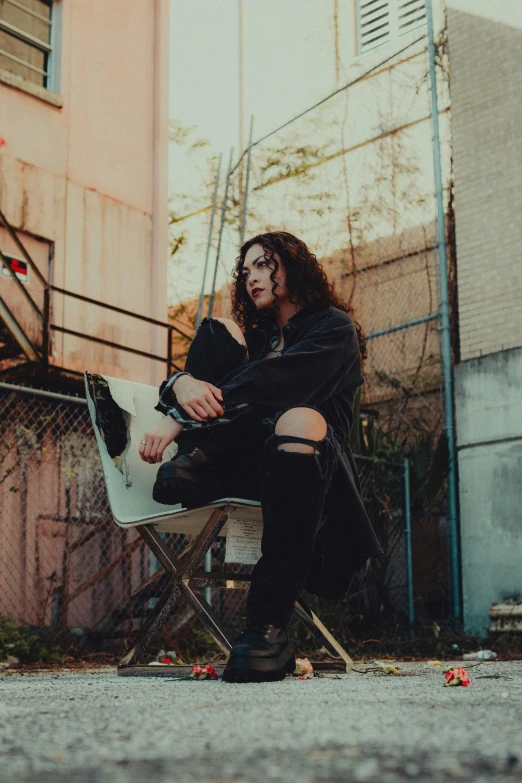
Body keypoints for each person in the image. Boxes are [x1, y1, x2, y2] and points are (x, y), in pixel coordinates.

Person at [138, 231, 382, 683]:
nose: (252, 276)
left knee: (299, 419)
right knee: (214, 331)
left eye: (265, 263)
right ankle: (200, 457)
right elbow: (218, 382)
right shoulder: (254, 340)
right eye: (246, 270)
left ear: (294, 265)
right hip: (240, 465)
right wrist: (180, 382)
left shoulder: (333, 329)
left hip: (309, 479)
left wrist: (175, 413)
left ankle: (266, 630)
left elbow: (275, 382)